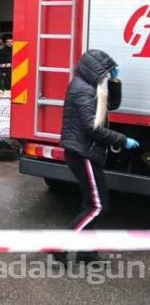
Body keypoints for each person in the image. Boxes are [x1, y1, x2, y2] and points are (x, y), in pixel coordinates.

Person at [56, 50, 138, 263]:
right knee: (98, 206)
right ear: (93, 71)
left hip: (86, 152)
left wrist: (115, 81)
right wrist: (123, 140)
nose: (105, 75)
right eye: (104, 72)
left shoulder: (91, 86)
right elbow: (92, 127)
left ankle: (86, 252)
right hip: (82, 153)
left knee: (91, 204)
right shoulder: (83, 90)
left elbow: (111, 106)